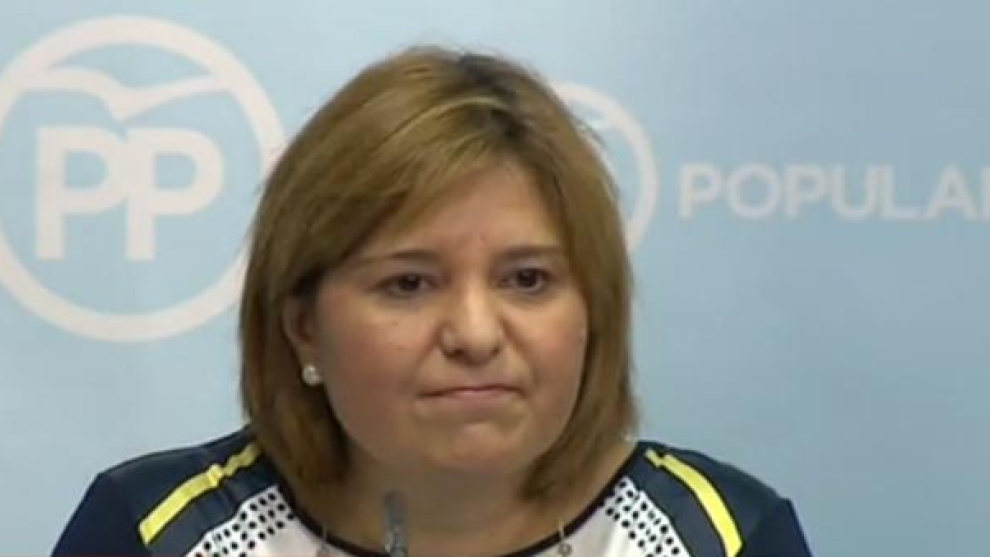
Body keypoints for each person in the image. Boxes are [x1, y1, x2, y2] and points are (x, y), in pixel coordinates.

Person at [52, 46, 813, 557]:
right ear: (304, 327)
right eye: (408, 284)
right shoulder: (156, 533)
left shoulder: (720, 536)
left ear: (595, 311)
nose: (476, 334)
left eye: (527, 280)